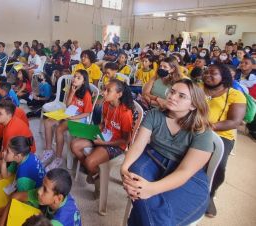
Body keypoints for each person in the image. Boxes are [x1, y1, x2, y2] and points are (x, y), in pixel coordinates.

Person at [121, 79, 213, 226]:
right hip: (153, 158)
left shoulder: (203, 131)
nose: (172, 96)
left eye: (181, 96)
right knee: (134, 175)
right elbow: (138, 145)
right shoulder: (154, 115)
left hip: (185, 173)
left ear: (193, 105)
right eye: (172, 92)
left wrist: (151, 189)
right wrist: (124, 167)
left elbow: (185, 171)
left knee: (144, 198)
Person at [202, 64, 246, 217]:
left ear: (224, 77)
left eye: (212, 73)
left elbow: (234, 121)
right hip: (193, 129)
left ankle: (210, 193)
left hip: (221, 135)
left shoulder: (235, 94)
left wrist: (209, 127)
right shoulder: (198, 89)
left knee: (218, 165)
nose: (207, 75)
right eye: (206, 72)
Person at [71, 79, 133, 185]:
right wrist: (91, 130)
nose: (104, 93)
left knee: (89, 162)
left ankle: (96, 172)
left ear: (119, 94)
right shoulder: (106, 105)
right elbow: (103, 124)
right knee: (74, 145)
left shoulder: (125, 113)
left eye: (108, 91)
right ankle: (92, 170)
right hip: (103, 136)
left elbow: (126, 140)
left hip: (116, 144)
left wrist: (103, 143)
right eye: (104, 89)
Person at [0, 136, 45, 226]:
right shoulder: (27, 155)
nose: (4, 152)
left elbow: (19, 200)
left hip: (32, 204)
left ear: (17, 156)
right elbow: (6, 175)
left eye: (7, 151)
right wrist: (4, 160)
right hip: (30, 191)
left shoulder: (22, 178)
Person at [42, 70, 93, 170]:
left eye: (79, 78)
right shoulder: (72, 88)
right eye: (75, 76)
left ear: (84, 81)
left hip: (80, 118)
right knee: (47, 122)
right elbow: (68, 105)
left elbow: (87, 113)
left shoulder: (86, 94)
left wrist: (73, 117)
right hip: (69, 112)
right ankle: (48, 151)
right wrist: (72, 92)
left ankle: (58, 158)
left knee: (59, 129)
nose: (75, 79)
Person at [0, 101, 36, 187]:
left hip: (22, 153)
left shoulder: (10, 131)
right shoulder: (4, 121)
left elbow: (4, 155)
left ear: (9, 115)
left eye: (0, 114)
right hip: (12, 147)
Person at [5, 168, 81, 226]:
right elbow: (15, 196)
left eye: (45, 189)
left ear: (58, 198)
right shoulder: (58, 193)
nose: (39, 191)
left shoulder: (58, 222)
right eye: (42, 185)